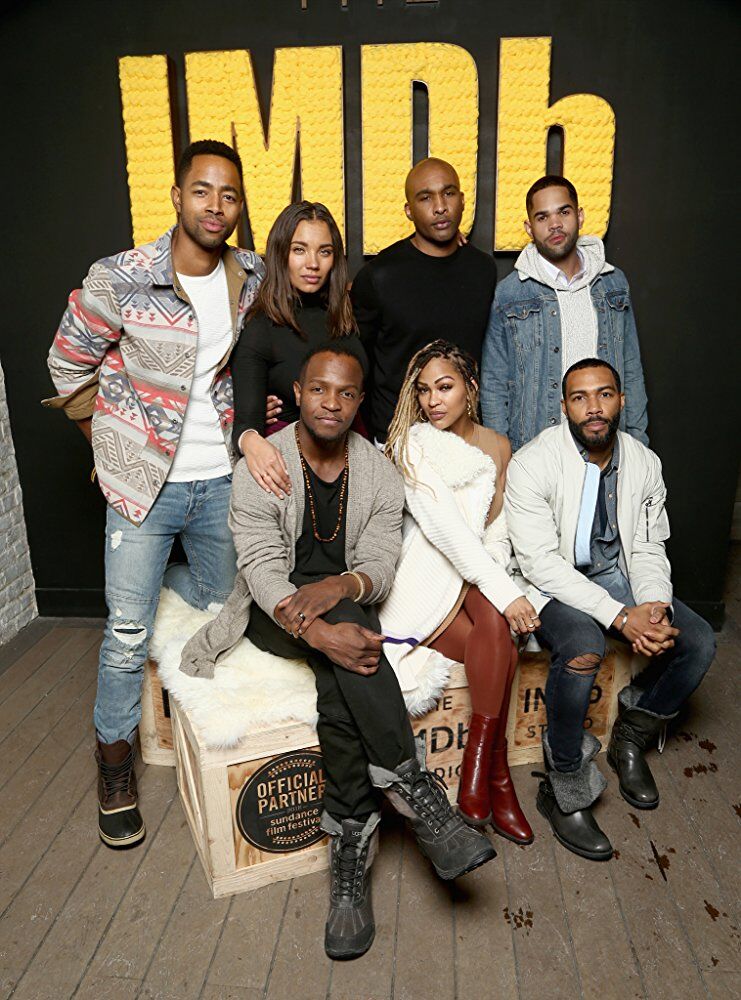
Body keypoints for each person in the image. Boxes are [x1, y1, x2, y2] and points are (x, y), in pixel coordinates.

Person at [179, 344, 496, 960]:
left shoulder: (377, 472)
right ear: (298, 392)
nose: (332, 403)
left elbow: (380, 563)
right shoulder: (263, 466)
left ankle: (350, 839)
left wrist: (340, 587)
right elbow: (262, 570)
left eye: (346, 393)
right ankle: (415, 789)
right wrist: (316, 629)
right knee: (347, 642)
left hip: (344, 606)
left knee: (344, 661)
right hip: (273, 612)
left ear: (359, 402)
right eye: (320, 389)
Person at [45, 139, 265, 848]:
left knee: (225, 604)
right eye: (202, 190)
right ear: (176, 196)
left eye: (229, 194)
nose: (215, 206)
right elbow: (66, 363)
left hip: (219, 480)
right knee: (126, 634)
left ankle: (146, 583)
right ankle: (114, 761)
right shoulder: (122, 278)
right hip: (142, 485)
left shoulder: (251, 277)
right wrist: (106, 447)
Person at [505, 358, 715, 861]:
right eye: (580, 398)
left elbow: (647, 547)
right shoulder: (533, 463)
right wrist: (620, 617)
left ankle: (631, 735)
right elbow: (539, 562)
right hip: (553, 583)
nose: (593, 407)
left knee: (699, 642)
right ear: (564, 407)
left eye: (603, 394)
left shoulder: (644, 462)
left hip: (615, 574)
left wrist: (653, 606)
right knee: (583, 646)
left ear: (621, 400)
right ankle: (565, 786)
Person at [379, 341, 539, 844]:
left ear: (470, 388)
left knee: (495, 632)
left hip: (476, 574)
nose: (433, 401)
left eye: (444, 387)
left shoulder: (498, 446)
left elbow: (496, 530)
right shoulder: (412, 444)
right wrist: (508, 595)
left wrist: (498, 584)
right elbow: (446, 531)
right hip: (424, 580)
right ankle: (496, 778)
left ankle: (485, 773)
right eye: (424, 391)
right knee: (500, 638)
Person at [481, 174, 649, 453]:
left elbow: (631, 370)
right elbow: (494, 384)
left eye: (564, 212)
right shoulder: (510, 294)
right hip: (537, 449)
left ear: (579, 216)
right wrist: (501, 456)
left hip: (607, 444)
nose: (555, 224)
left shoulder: (613, 283)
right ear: (529, 227)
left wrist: (638, 443)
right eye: (542, 217)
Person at [351, 158, 497, 443]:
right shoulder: (379, 276)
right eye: (426, 197)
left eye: (448, 193)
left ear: (462, 201)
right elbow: (358, 362)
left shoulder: (483, 270)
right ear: (409, 210)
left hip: (464, 437)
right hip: (398, 438)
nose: (440, 206)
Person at [231, 200, 367, 500]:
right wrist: (251, 441)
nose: (313, 263)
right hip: (292, 476)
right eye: (299, 250)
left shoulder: (347, 316)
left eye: (324, 251)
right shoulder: (262, 328)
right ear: (281, 253)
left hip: (355, 469)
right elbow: (246, 427)